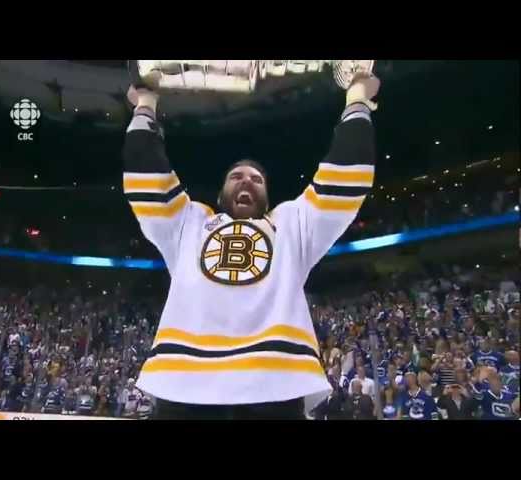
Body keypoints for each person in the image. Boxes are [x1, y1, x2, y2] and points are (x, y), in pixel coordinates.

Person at [123, 67, 380, 419]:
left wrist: (357, 99)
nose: (247, 182)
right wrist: (146, 106)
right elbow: (145, 178)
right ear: (220, 193)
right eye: (236, 177)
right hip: (184, 383)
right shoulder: (190, 222)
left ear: (268, 197)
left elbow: (345, 179)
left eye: (257, 179)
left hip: (275, 381)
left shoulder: (290, 224)